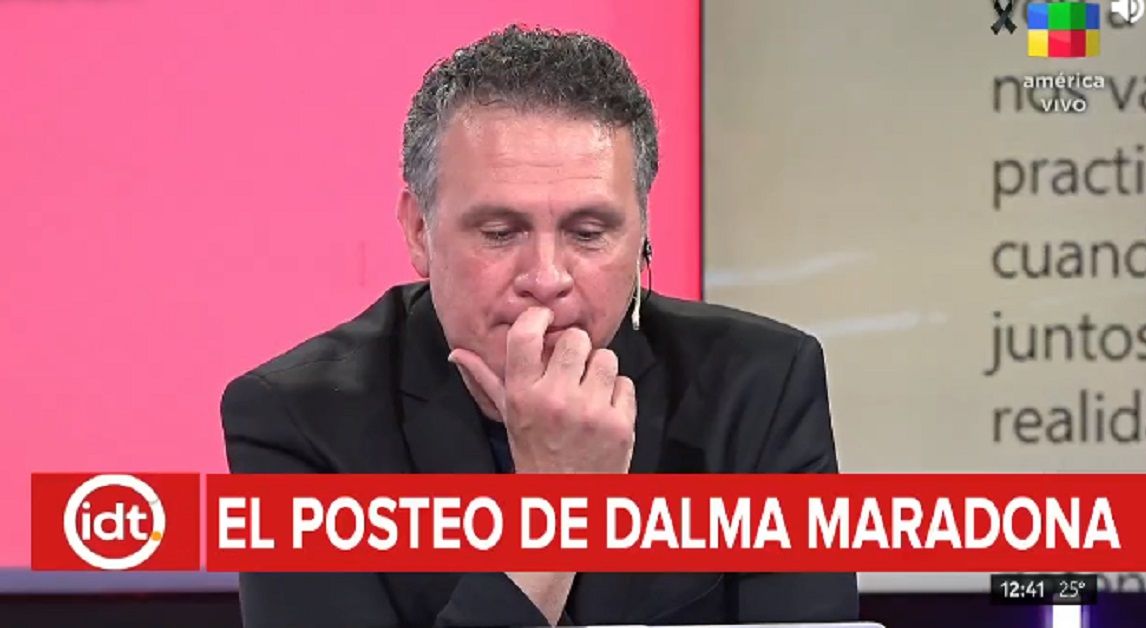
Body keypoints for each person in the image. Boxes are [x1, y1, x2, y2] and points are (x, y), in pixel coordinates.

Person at [220, 25, 858, 628]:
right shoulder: (301, 419)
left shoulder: (758, 386)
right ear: (419, 231)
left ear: (641, 234)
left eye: (589, 233)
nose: (547, 277)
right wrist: (557, 508)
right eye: (501, 233)